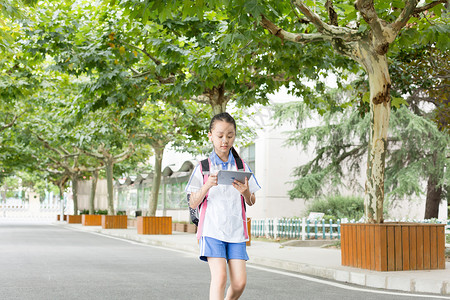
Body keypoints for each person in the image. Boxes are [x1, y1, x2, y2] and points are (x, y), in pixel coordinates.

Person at [186, 112, 261, 300]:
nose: (225, 140)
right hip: (212, 231)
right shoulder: (203, 167)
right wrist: (207, 185)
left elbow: (251, 201)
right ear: (210, 135)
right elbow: (193, 202)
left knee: (239, 284)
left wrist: (245, 192)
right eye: (220, 136)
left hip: (236, 232)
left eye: (230, 135)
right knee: (219, 278)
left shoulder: (241, 165)